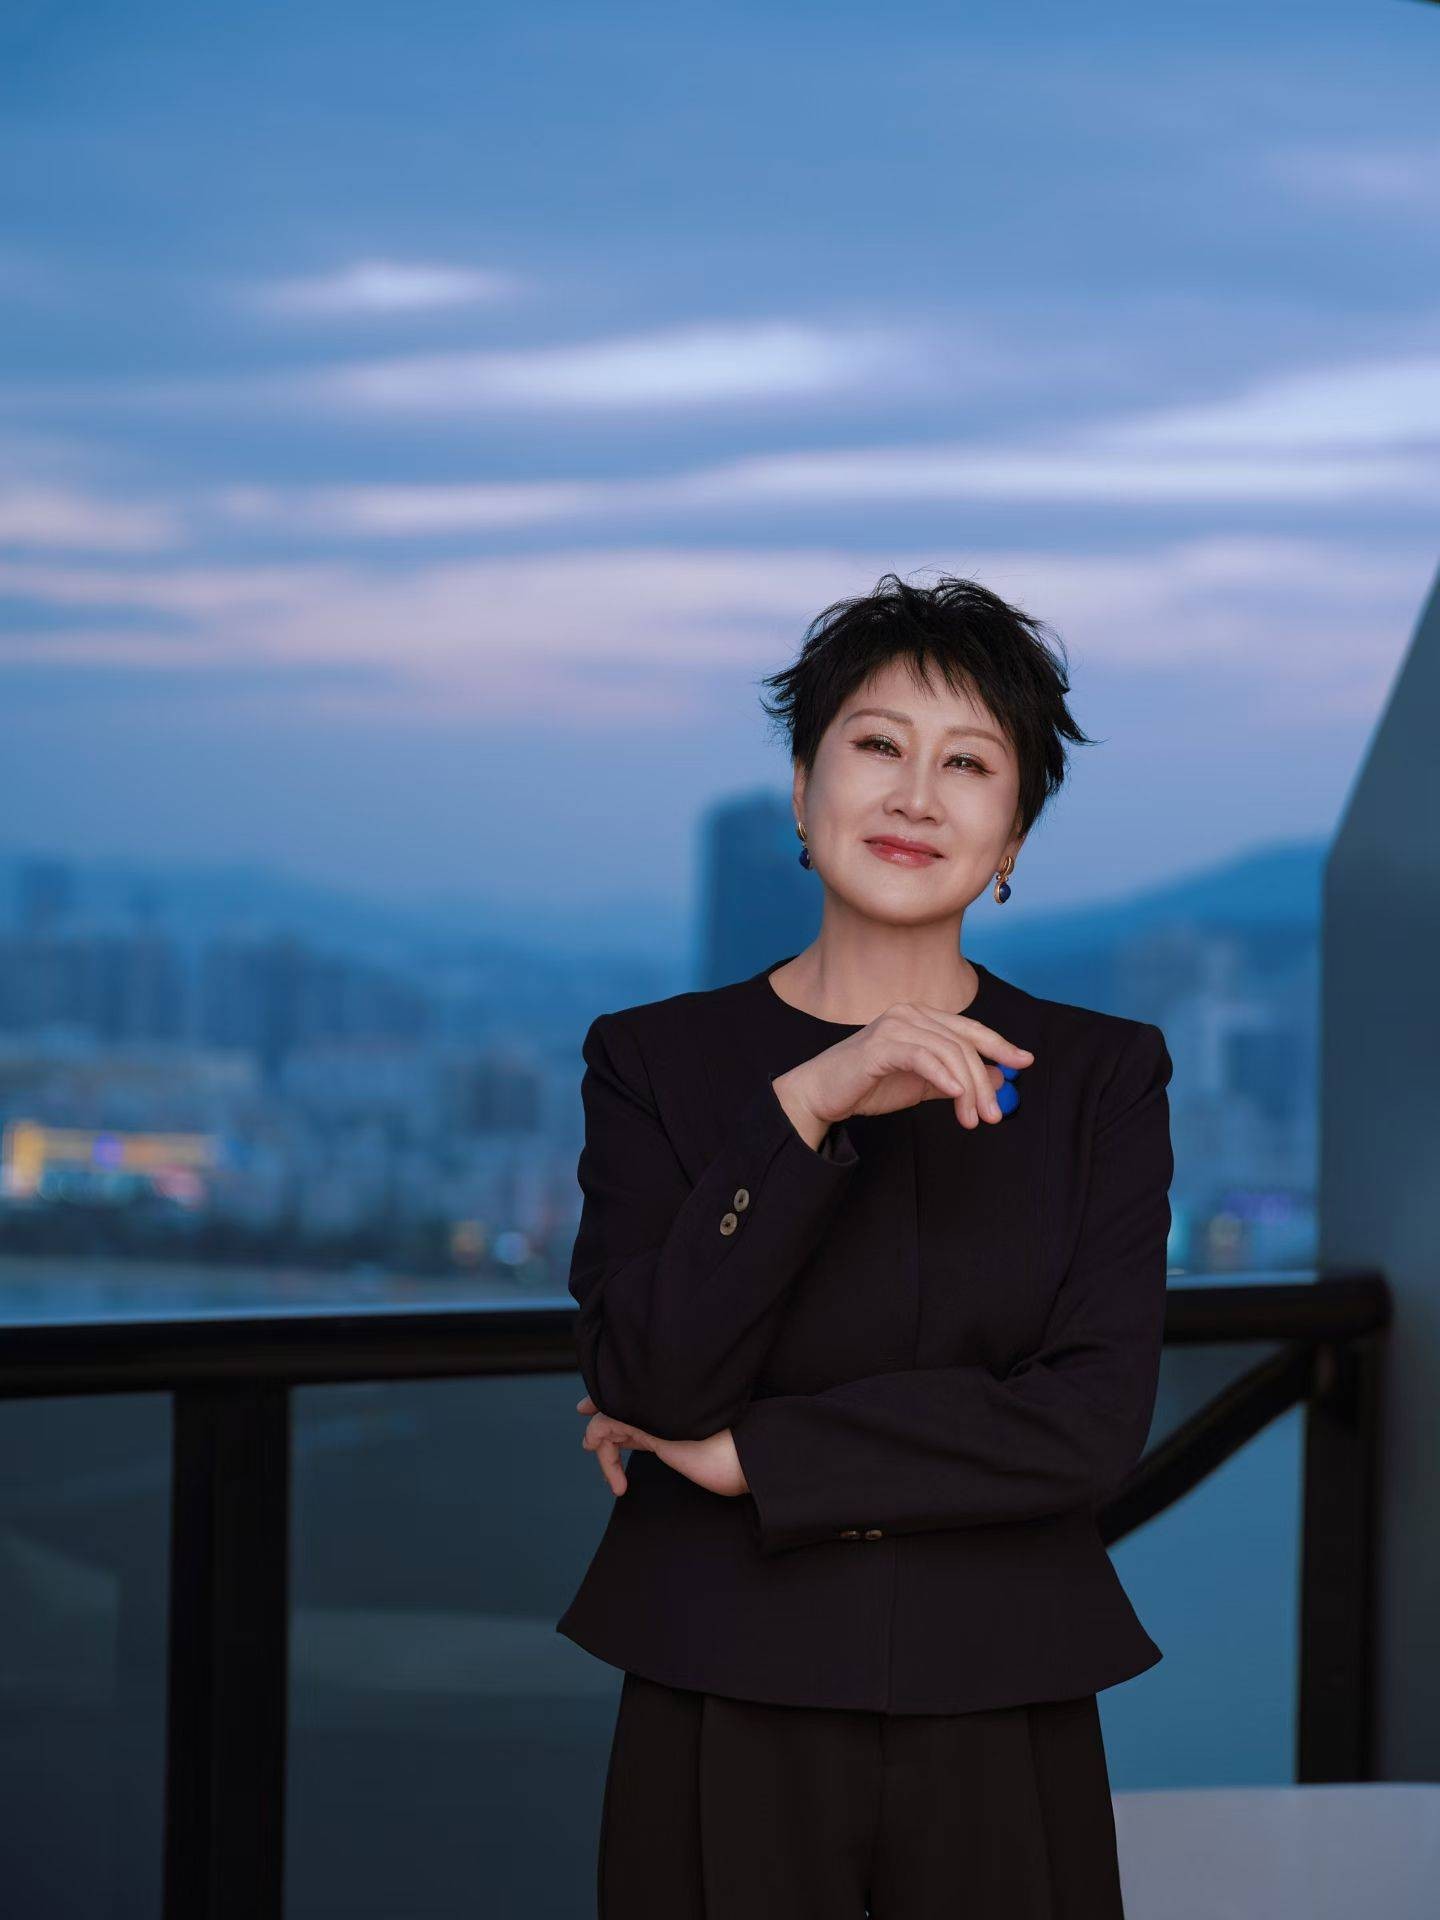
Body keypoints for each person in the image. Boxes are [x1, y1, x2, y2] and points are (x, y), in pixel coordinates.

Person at [555, 571, 1175, 1918]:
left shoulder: (1102, 1077)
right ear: (802, 789)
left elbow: (1087, 1427)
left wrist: (751, 1458)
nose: (916, 797)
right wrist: (807, 1106)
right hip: (720, 1676)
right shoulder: (652, 1061)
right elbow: (650, 1375)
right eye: (878, 744)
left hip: (1003, 1690)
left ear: (1012, 837)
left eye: (970, 764)